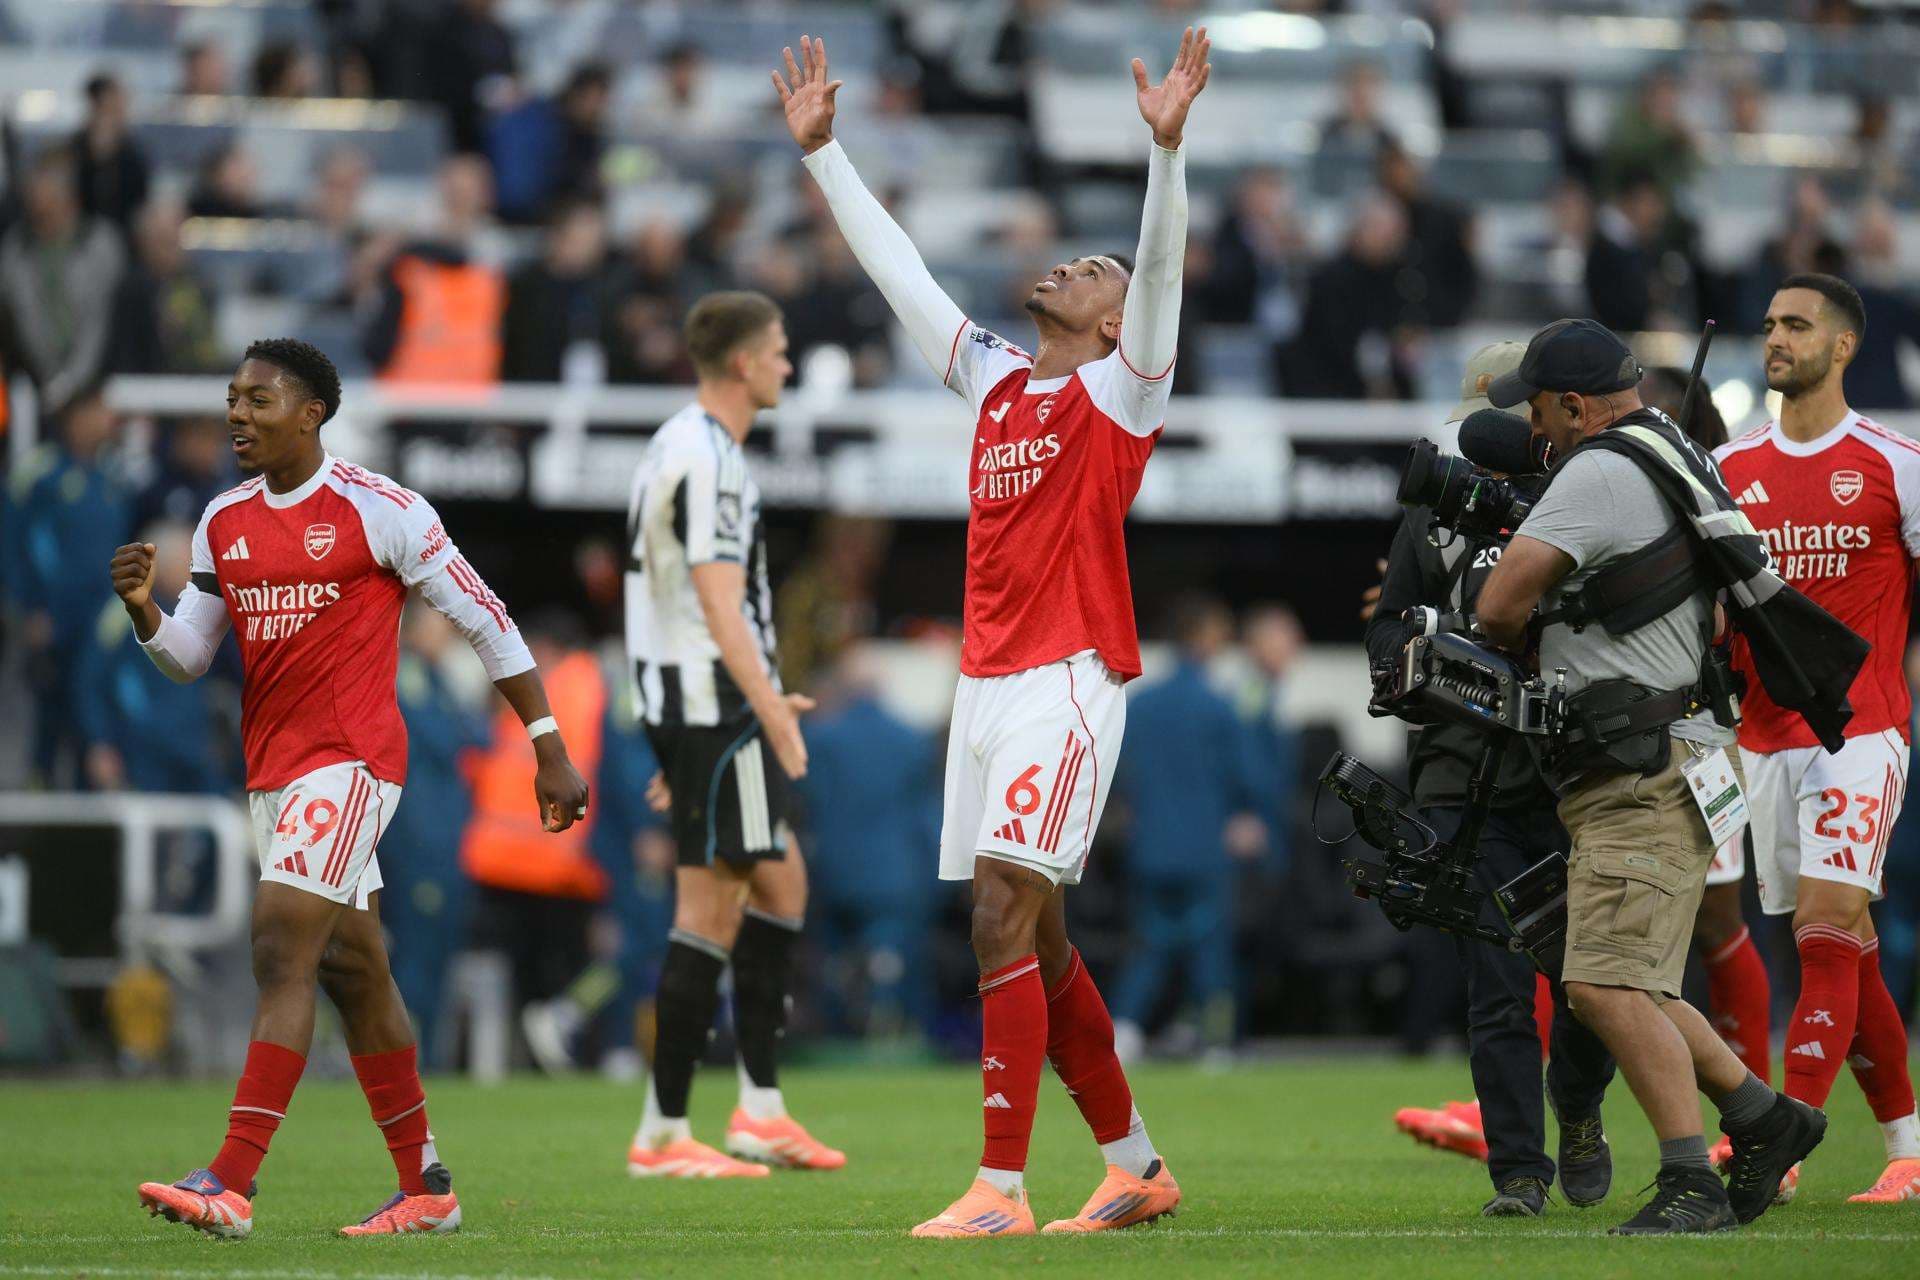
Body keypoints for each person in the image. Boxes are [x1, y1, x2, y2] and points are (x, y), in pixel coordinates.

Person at [775, 28, 1206, 1235]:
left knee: (999, 909)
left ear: (1123, 321)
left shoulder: (1125, 388)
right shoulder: (998, 380)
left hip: (1069, 680)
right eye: (1074, 259)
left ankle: (1000, 1189)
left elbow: (1160, 272)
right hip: (984, 684)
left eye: (1093, 268)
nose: (1072, 267)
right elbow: (905, 276)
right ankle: (1134, 1163)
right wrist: (827, 161)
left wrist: (1165, 155)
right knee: (1041, 935)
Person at [114, 338, 590, 1239]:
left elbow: (486, 621)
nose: (238, 415)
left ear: (312, 412)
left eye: (259, 399)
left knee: (279, 947)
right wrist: (145, 611)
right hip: (274, 772)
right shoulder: (224, 521)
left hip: (355, 761)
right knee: (353, 969)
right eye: (233, 398)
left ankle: (231, 1181)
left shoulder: (383, 511)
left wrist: (547, 746)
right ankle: (427, 1186)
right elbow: (190, 656)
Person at [1477, 318, 1823, 1234]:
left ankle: (1690, 1181)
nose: (1536, 428)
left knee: (1603, 987)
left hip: (1642, 765)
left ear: (1578, 404)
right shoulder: (1674, 450)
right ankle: (1765, 1117)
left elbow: (1498, 602)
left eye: (1542, 410)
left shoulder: (1598, 467)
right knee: (1641, 983)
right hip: (1684, 750)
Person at [1369, 343, 1617, 1218]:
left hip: (1570, 769)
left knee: (1592, 983)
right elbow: (1389, 626)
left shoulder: (1585, 499)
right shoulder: (1436, 513)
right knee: (1499, 984)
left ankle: (1579, 1113)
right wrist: (1419, 662)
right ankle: (1518, 1170)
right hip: (1459, 773)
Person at [622, 291, 843, 1177]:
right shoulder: (710, 458)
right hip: (712, 699)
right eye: (782, 351)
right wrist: (768, 709)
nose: (789, 365)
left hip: (693, 701)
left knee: (782, 884)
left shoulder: (677, 443)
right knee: (710, 908)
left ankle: (759, 1108)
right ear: (747, 363)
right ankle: (663, 1132)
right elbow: (716, 596)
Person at [1711, 274, 1920, 1205]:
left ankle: (1780, 1144)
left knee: (1825, 926)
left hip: (1861, 730)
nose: (1776, 340)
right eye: (1768, 326)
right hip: (1760, 735)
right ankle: (1909, 1151)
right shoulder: (1732, 469)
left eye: (1797, 326)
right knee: (1846, 943)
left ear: (1843, 346)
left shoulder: (1895, 462)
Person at [1108, 595, 1267, 1063]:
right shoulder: (1220, 706)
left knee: (1149, 942)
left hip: (1151, 846)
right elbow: (1248, 778)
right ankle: (1215, 1040)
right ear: (1202, 637)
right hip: (1203, 848)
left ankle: (1125, 1029)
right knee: (1209, 946)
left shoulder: (1139, 703)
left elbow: (1117, 775)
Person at [381, 603, 491, 1069]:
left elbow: (481, 735)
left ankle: (433, 1064)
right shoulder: (406, 671)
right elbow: (448, 734)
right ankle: (404, 1064)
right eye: (438, 625)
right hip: (419, 840)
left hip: (447, 842)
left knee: (441, 956)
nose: (446, 635)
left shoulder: (436, 674)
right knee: (416, 960)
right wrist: (463, 728)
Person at [0, 148, 125, 416]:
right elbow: (21, 322)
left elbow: (100, 322)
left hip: (99, 386)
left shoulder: (100, 243)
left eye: (45, 186)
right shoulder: (15, 252)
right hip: (34, 387)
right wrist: (48, 384)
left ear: (67, 194)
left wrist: (71, 383)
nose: (35, 196)